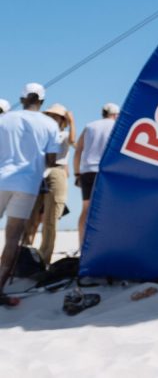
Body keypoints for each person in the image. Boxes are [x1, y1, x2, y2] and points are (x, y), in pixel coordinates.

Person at [0, 83, 62, 305]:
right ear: (42, 101)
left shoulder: (4, 119)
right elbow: (52, 160)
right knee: (13, 238)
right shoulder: (50, 124)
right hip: (27, 184)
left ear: (22, 98)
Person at [22, 103, 75, 265]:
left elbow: (73, 141)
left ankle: (45, 258)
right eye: (50, 116)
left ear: (62, 120)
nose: (52, 118)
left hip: (56, 172)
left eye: (56, 116)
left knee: (51, 219)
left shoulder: (64, 135)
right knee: (29, 217)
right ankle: (24, 255)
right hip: (38, 173)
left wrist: (72, 122)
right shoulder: (41, 135)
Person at [74, 103, 119, 247]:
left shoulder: (90, 126)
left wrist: (77, 173)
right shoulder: (117, 126)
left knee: (86, 209)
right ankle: (104, 244)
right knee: (107, 209)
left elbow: (78, 150)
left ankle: (82, 245)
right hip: (106, 172)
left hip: (87, 171)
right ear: (116, 115)